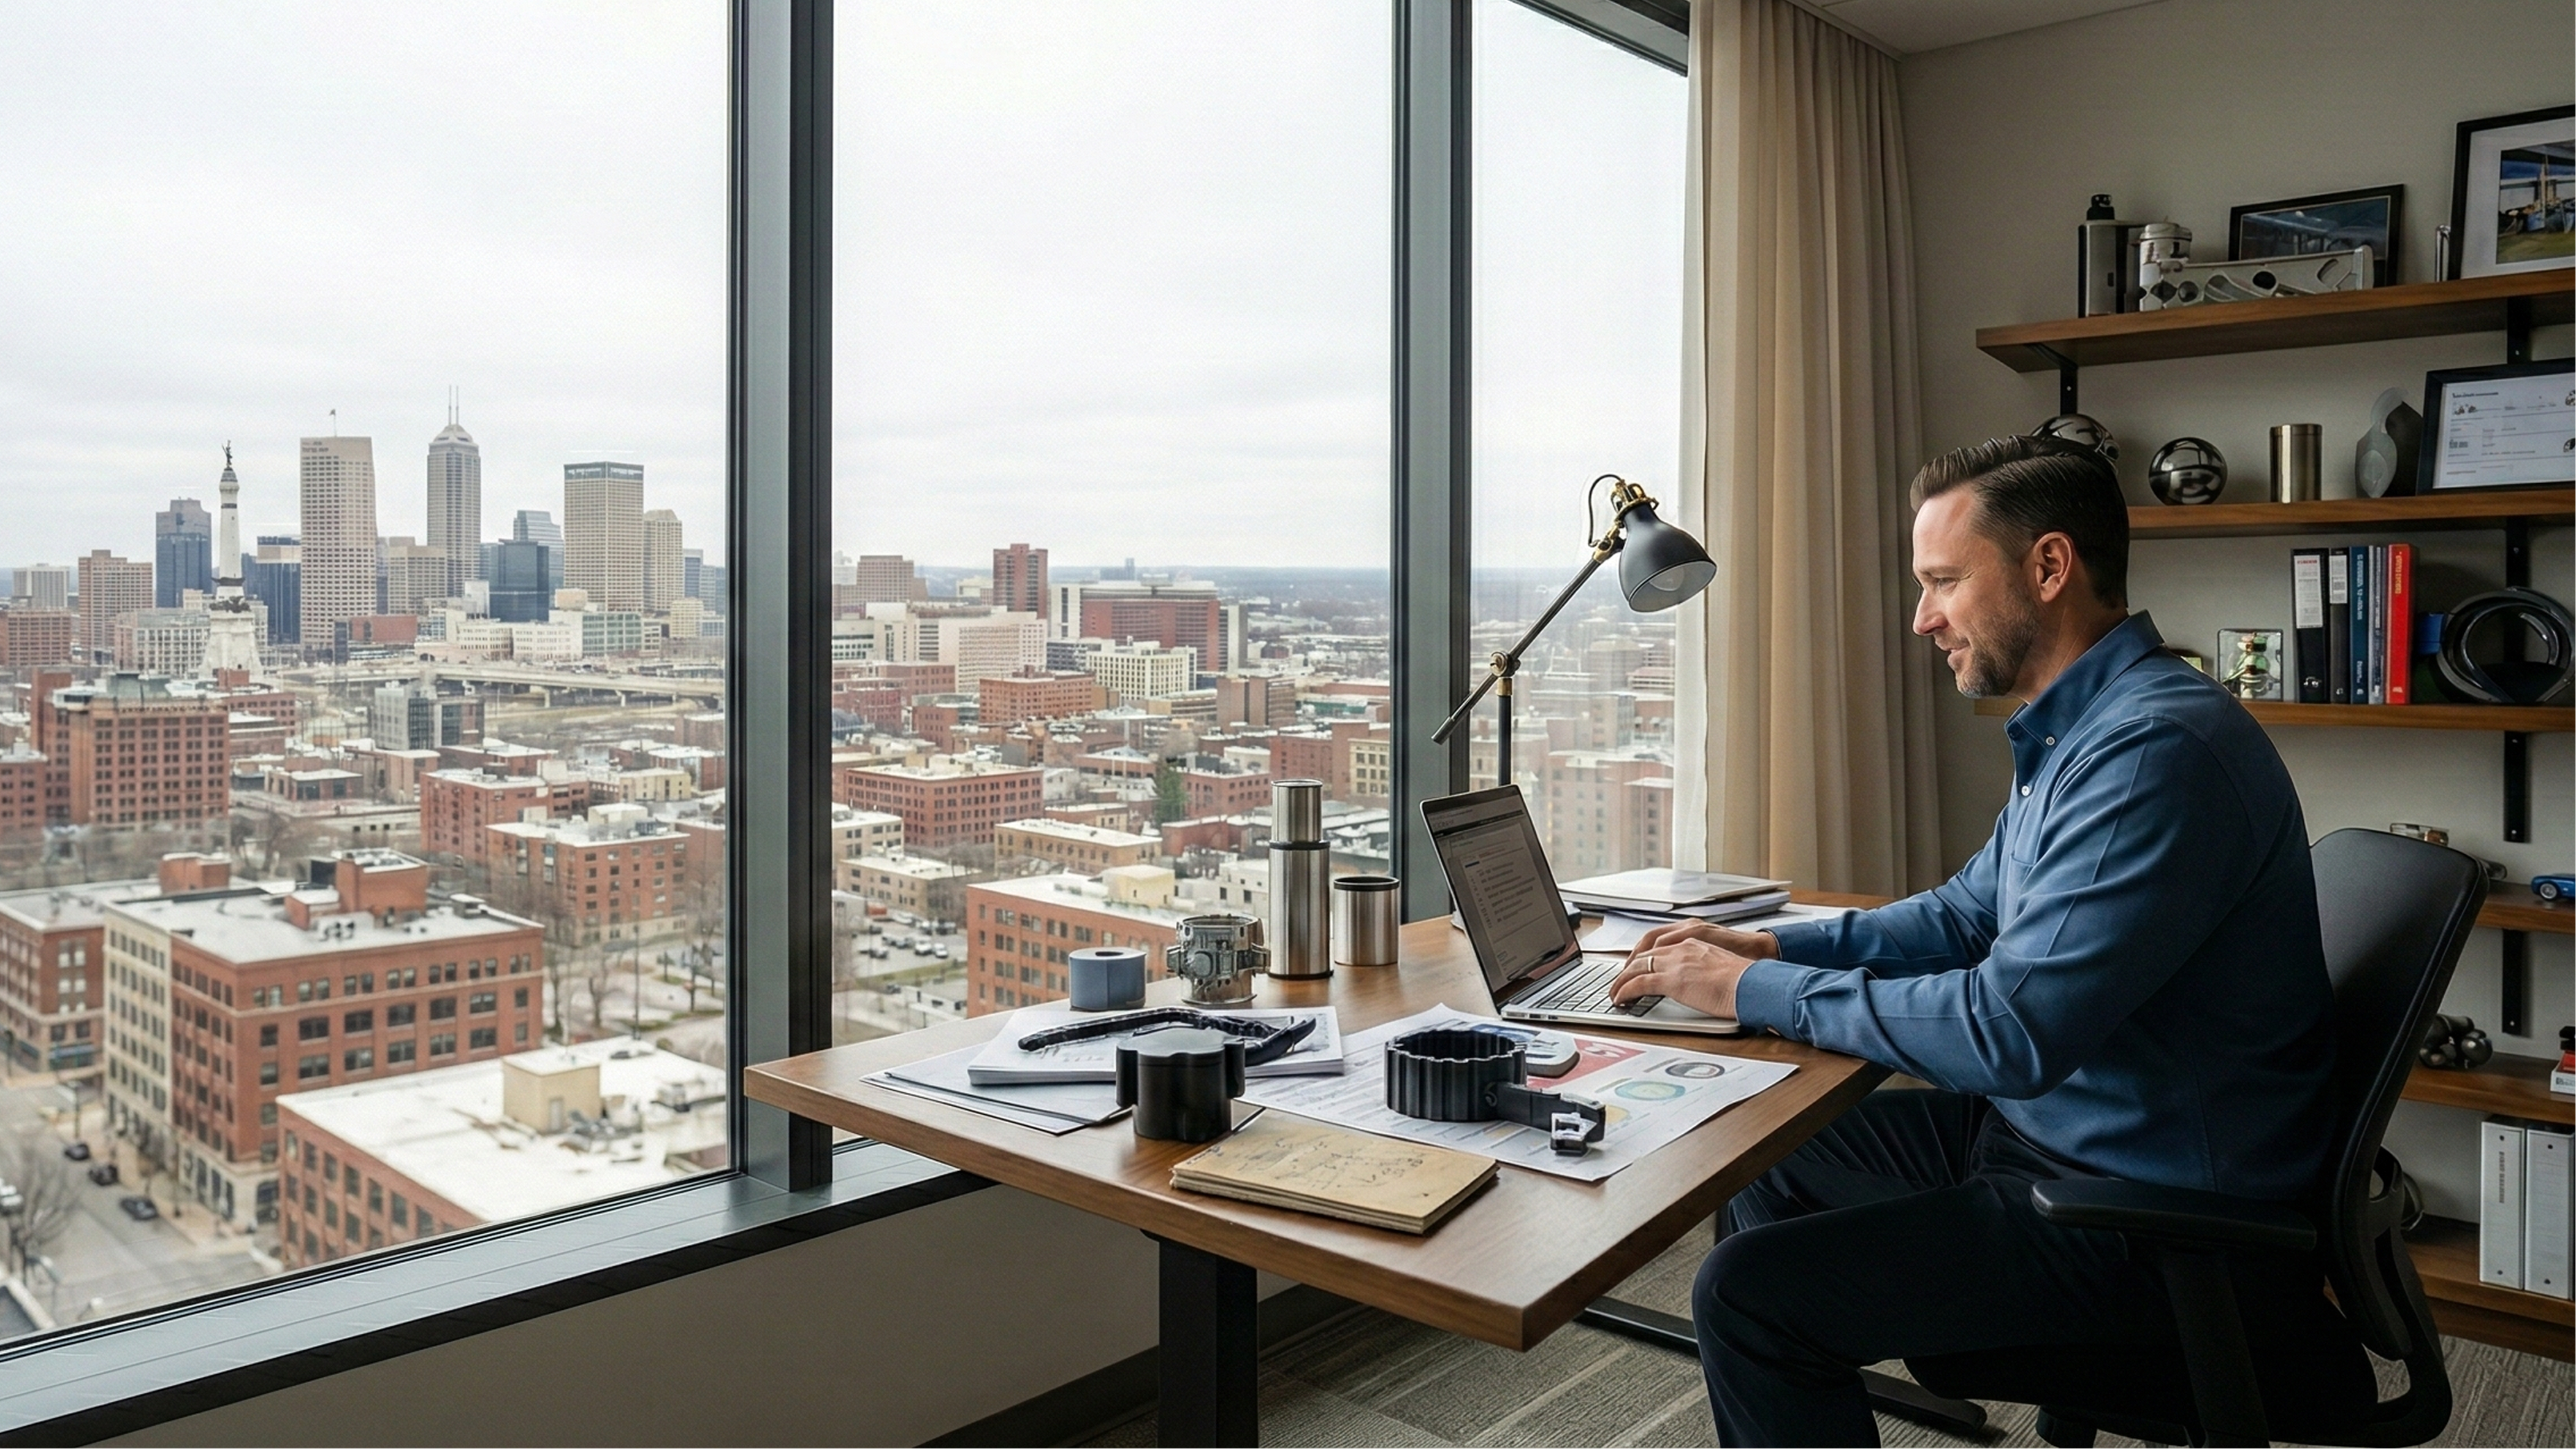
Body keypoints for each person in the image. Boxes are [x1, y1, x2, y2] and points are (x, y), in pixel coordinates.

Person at [1610, 434, 2336, 1448]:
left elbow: (2007, 1029)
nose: (1922, 617)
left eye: (1944, 580)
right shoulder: (2085, 726)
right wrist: (1770, 953)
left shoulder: (2148, 751)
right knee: (1769, 1160)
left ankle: (1805, 1357)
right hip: (2056, 1138)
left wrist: (1743, 994)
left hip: (2147, 1219)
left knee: (1748, 1294)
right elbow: (1963, 914)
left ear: (2048, 567)